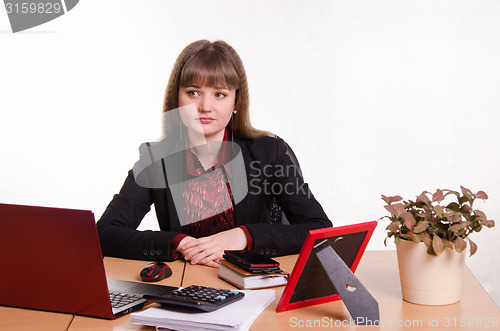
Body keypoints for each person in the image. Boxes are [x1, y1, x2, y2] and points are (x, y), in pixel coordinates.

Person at [96, 40, 332, 268]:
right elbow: (104, 233)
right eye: (193, 92)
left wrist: (244, 236)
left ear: (236, 101)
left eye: (219, 94)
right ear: (177, 98)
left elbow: (320, 229)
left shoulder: (270, 152)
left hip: (251, 284)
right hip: (185, 283)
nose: (205, 107)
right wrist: (176, 242)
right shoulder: (155, 159)